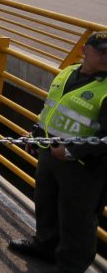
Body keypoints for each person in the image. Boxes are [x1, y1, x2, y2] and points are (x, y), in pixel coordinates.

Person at [8, 31, 107, 273]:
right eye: (101, 51)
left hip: (83, 167)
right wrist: (36, 134)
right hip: (50, 154)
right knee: (46, 203)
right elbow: (51, 108)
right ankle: (44, 246)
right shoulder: (67, 72)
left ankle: (69, 266)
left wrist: (73, 152)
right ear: (85, 51)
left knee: (77, 219)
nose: (106, 57)